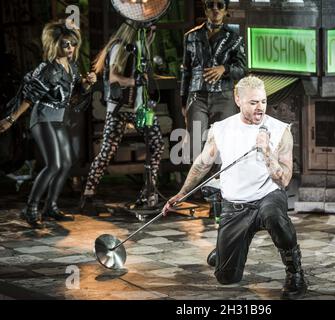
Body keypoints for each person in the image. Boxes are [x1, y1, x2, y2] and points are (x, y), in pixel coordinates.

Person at [163, 76, 307, 299]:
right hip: (236, 205)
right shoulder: (221, 129)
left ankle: (295, 273)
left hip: (267, 197)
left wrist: (267, 151)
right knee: (226, 278)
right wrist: (182, 194)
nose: (260, 108)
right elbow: (202, 163)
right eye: (253, 103)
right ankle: (226, 249)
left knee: (275, 217)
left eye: (263, 101)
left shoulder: (280, 131)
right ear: (238, 99)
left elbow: (284, 180)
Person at [0, 21, 97, 228]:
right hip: (43, 117)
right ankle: (31, 208)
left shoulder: (71, 66)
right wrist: (11, 119)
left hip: (58, 118)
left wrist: (87, 83)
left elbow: (74, 94)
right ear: (55, 45)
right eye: (65, 44)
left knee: (67, 162)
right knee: (53, 164)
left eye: (72, 44)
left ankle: (50, 206)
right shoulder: (48, 69)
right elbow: (30, 97)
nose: (70, 48)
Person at [79, 22, 165, 213]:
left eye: (153, 30)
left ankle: (149, 193)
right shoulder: (120, 46)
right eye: (148, 30)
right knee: (108, 150)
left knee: (157, 144)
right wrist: (136, 80)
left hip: (140, 108)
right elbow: (113, 77)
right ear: (137, 30)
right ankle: (88, 195)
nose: (152, 33)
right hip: (119, 107)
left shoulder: (142, 47)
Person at [181, 0, 247, 161]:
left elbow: (243, 70)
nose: (215, 10)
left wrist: (225, 68)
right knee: (195, 145)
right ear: (205, 10)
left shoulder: (234, 38)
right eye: (211, 5)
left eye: (220, 6)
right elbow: (185, 71)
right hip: (197, 96)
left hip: (224, 96)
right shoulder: (191, 36)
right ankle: (199, 184)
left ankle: (220, 184)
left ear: (225, 11)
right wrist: (183, 101)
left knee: (223, 144)